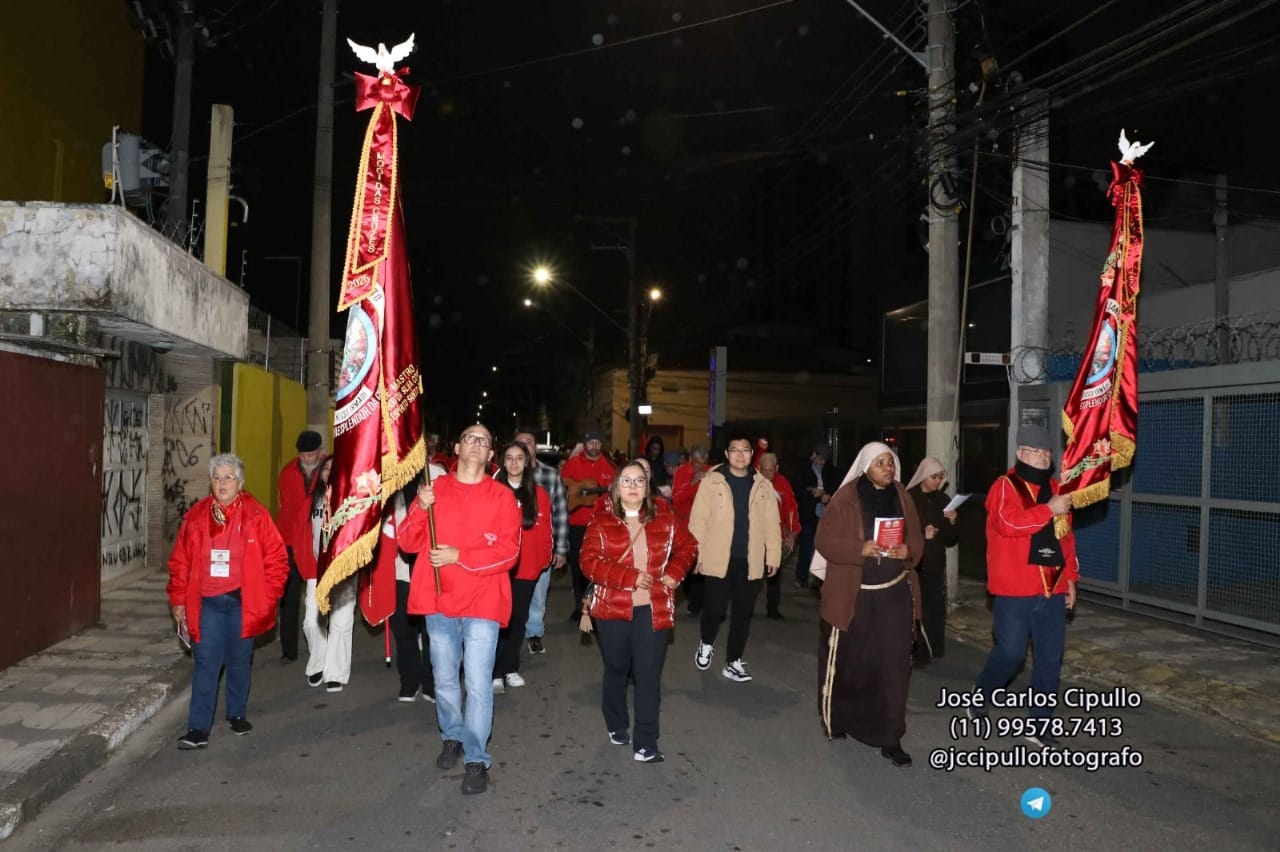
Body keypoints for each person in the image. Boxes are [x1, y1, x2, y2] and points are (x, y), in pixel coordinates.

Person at [400, 424, 522, 795]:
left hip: (483, 602)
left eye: (484, 440)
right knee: (445, 677)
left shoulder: (502, 498)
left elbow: (508, 553)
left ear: (490, 456)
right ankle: (452, 734)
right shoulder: (433, 491)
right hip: (439, 601)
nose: (476, 443)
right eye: (470, 437)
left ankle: (475, 758)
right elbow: (407, 541)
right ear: (457, 447)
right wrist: (420, 509)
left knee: (478, 681)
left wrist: (459, 556)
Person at [813, 442, 924, 767]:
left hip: (893, 597)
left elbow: (915, 538)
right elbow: (824, 540)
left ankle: (891, 736)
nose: (888, 467)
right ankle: (836, 719)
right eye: (880, 462)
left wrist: (909, 551)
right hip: (854, 595)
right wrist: (858, 549)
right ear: (865, 466)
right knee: (849, 663)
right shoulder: (846, 498)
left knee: (893, 667)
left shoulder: (903, 496)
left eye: (890, 462)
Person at [168, 453, 289, 750]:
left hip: (241, 602)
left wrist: (267, 595)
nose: (222, 483)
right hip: (206, 603)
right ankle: (198, 729)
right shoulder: (196, 516)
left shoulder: (256, 515)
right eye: (217, 477)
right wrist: (178, 600)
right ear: (211, 482)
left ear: (240, 483)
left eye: (228, 477)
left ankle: (236, 713)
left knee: (238, 661)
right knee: (206, 663)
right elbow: (180, 562)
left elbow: (277, 560)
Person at [580, 461, 697, 763]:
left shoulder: (665, 518)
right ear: (616, 487)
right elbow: (588, 563)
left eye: (640, 481)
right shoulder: (601, 521)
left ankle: (646, 743)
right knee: (618, 669)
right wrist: (629, 577)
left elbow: (689, 546)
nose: (633, 487)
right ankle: (617, 722)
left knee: (648, 675)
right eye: (627, 481)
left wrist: (674, 573)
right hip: (612, 610)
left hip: (654, 608)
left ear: (647, 487)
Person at [971, 424, 1079, 748]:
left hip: (1052, 587)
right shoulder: (1004, 486)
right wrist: (1048, 509)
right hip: (1015, 587)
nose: (1040, 457)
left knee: (1049, 658)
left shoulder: (1056, 488)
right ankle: (982, 693)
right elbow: (1008, 523)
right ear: (1020, 453)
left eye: (1045, 452)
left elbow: (1066, 538)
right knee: (1012, 652)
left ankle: (1040, 724)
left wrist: (1071, 578)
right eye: (1034, 451)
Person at [687, 434, 782, 683]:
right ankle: (706, 643)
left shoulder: (763, 485)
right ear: (727, 455)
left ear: (752, 455)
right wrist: (696, 551)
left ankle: (733, 661)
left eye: (745, 450)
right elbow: (698, 519)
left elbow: (773, 523)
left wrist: (773, 554)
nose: (740, 454)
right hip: (718, 558)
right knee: (715, 609)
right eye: (734, 450)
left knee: (743, 613)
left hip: (750, 560)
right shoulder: (712, 482)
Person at [492, 441, 553, 693]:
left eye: (520, 458)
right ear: (503, 462)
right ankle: (494, 673)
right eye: (509, 458)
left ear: (527, 462)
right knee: (497, 621)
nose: (514, 463)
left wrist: (541, 562)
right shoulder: (493, 491)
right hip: (498, 569)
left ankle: (510, 668)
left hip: (527, 569)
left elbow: (546, 530)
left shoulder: (539, 494)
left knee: (519, 620)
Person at [382, 465, 445, 703]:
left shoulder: (437, 474)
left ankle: (431, 682)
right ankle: (409, 680)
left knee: (432, 630)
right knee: (403, 629)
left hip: (430, 567)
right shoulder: (389, 477)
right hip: (398, 569)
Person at [301, 457, 358, 692]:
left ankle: (336, 672)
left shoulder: (353, 499)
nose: (328, 471)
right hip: (317, 569)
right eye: (325, 467)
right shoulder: (313, 499)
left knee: (341, 622)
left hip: (344, 569)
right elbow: (302, 533)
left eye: (334, 468)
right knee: (311, 620)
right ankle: (318, 662)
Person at [514, 430, 569, 656]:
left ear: (536, 447)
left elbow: (561, 514)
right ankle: (510, 638)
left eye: (530, 442)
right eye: (521, 443)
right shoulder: (504, 476)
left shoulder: (551, 476)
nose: (526, 446)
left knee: (538, 595)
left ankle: (534, 633)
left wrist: (561, 549)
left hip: (541, 549)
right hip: (513, 549)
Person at [276, 430, 327, 662]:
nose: (306, 459)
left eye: (311, 454)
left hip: (318, 540)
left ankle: (322, 643)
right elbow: (285, 508)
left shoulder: (329, 470)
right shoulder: (288, 473)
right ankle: (289, 651)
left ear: (320, 451)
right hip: (290, 541)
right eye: (303, 455)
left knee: (320, 595)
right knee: (289, 597)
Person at [906, 457, 959, 664]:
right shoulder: (909, 499)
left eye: (940, 477)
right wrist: (922, 534)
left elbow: (951, 539)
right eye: (934, 477)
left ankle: (934, 648)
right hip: (915, 563)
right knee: (917, 608)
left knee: (935, 608)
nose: (938, 481)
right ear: (923, 476)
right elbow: (902, 532)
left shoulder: (943, 501)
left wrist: (953, 520)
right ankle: (917, 652)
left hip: (936, 563)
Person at [560, 431, 616, 620]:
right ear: (585, 445)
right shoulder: (573, 464)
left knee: (596, 568)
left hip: (599, 525)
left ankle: (593, 606)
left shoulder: (608, 467)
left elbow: (614, 496)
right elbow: (563, 486)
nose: (594, 445)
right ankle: (579, 606)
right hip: (577, 523)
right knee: (577, 567)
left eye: (597, 442)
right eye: (591, 442)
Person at [758, 452, 800, 619]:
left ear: (777, 468)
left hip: (775, 535)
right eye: (764, 470)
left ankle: (772, 608)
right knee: (751, 573)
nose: (767, 474)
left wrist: (793, 534)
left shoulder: (783, 485)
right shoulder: (752, 482)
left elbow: (791, 510)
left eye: (771, 470)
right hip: (754, 535)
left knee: (774, 572)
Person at [792, 443, 839, 589]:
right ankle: (801, 577)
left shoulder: (830, 470)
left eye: (825, 460)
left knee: (824, 547)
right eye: (820, 459)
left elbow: (836, 485)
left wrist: (827, 494)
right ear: (814, 455)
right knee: (806, 545)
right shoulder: (803, 469)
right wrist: (814, 495)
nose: (822, 462)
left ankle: (821, 578)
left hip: (825, 514)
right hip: (808, 514)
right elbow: (797, 490)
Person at [671, 444, 711, 615]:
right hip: (685, 526)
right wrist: (692, 482)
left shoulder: (712, 472)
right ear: (690, 460)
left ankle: (696, 604)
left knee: (702, 565)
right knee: (686, 565)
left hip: (706, 527)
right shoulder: (682, 472)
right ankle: (687, 596)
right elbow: (677, 500)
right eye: (696, 463)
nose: (700, 467)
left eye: (703, 463)